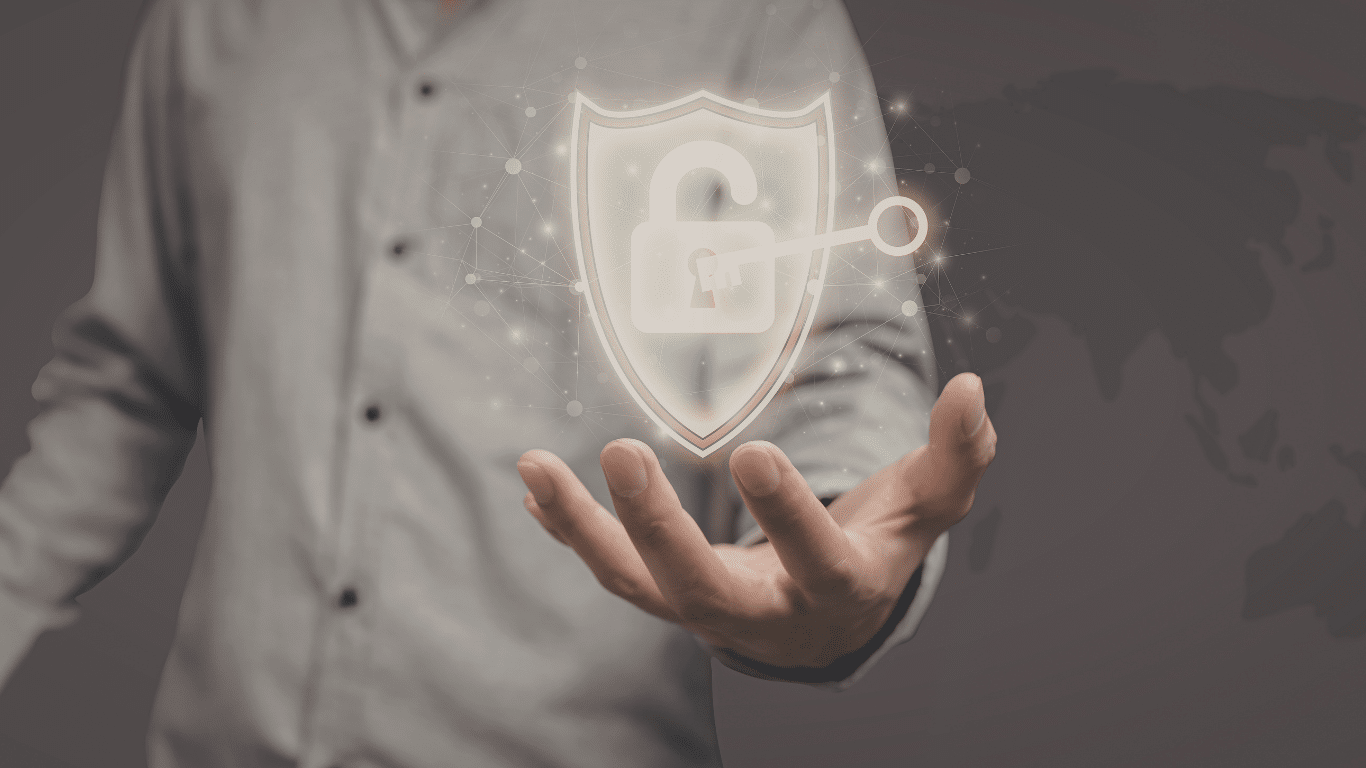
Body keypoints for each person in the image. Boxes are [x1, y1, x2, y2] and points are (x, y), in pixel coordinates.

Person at [0, 0, 996, 766]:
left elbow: (831, 351)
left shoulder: (744, 19)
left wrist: (826, 534)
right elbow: (127, 382)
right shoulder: (214, 19)